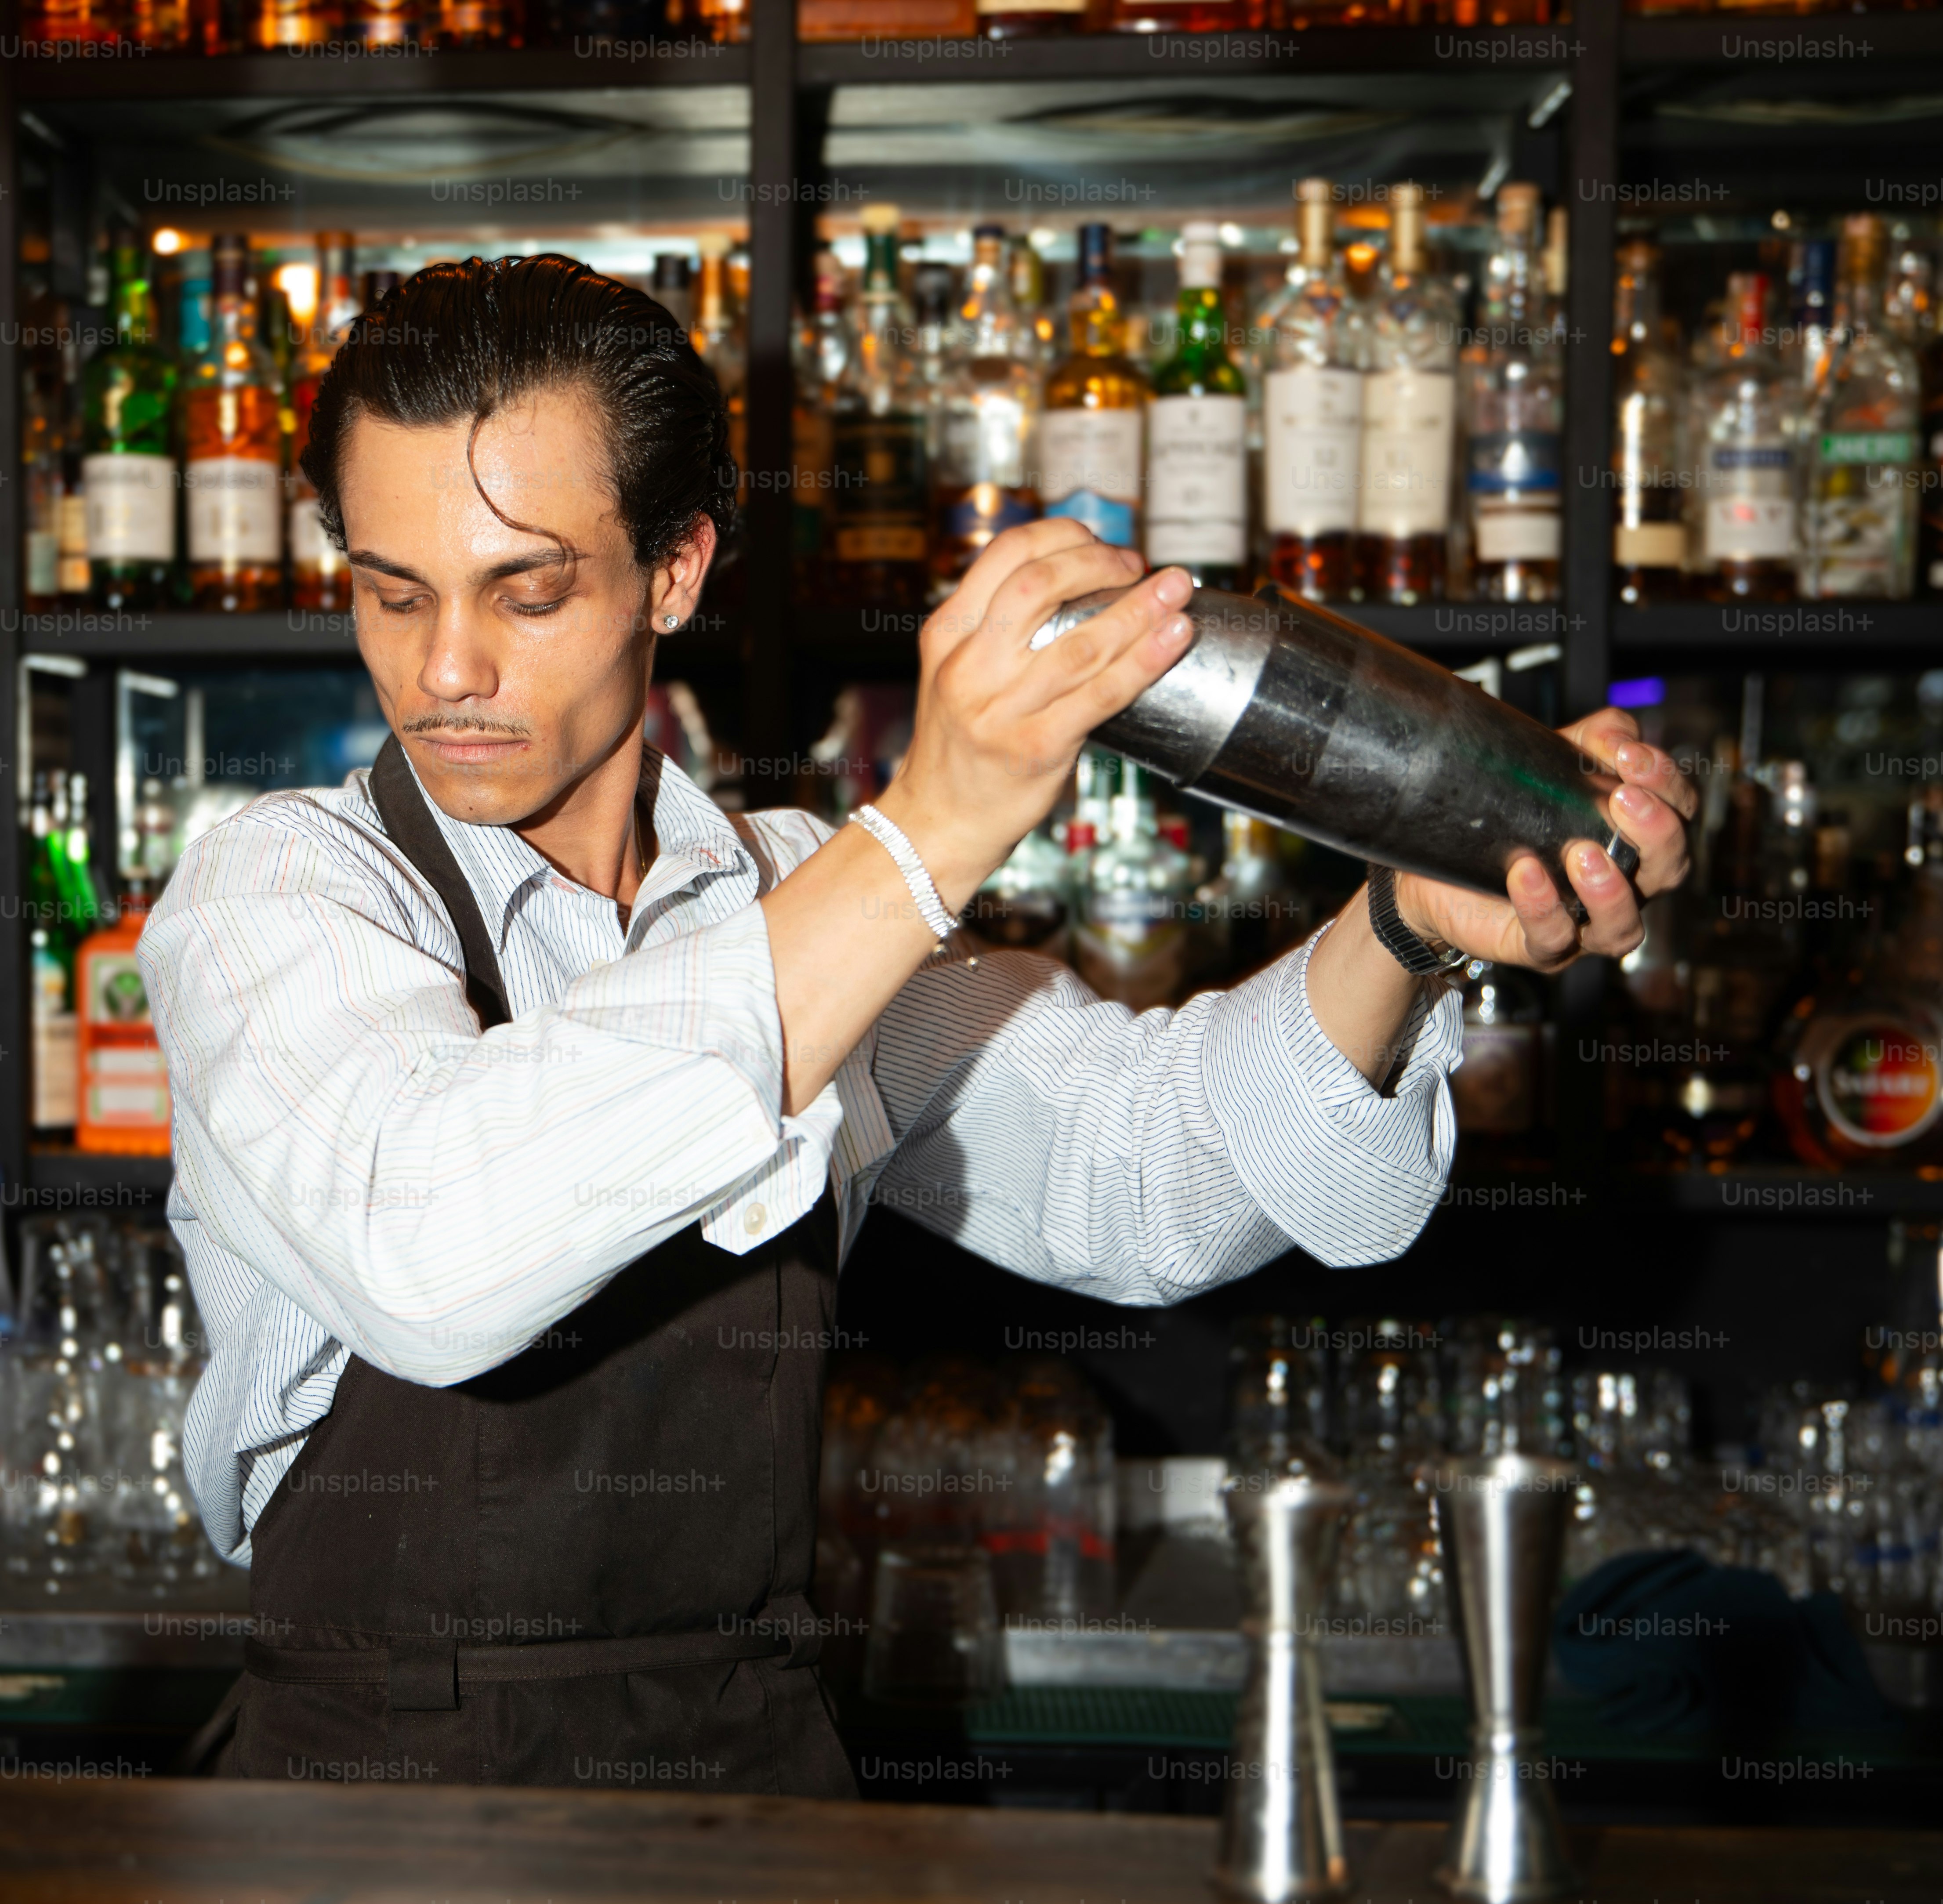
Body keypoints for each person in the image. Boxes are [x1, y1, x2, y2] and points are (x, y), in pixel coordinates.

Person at [137, 255, 1689, 1795]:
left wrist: (1404, 925)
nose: (444, 667)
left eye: (527, 589)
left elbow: (1147, 1173)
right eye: (389, 590)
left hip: (752, 1800)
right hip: (380, 1823)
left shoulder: (799, 897)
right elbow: (431, 1244)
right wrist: (930, 827)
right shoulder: (279, 895)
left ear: (677, 570)